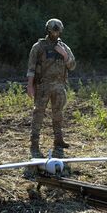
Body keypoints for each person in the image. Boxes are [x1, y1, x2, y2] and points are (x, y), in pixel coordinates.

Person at [26, 18, 76, 159]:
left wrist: (64, 55)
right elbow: (31, 68)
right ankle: (34, 144)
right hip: (43, 86)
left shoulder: (64, 47)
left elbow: (72, 66)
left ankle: (58, 141)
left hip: (59, 87)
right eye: (53, 30)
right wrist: (30, 85)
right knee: (38, 115)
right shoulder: (39, 47)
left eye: (58, 31)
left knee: (58, 115)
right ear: (48, 30)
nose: (56, 33)